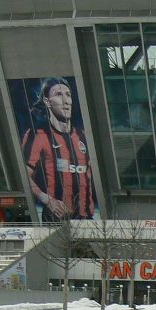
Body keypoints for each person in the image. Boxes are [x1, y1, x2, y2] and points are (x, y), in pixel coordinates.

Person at [21, 77, 97, 223]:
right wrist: (47, 199)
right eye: (58, 95)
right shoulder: (38, 135)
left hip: (87, 219)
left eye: (68, 95)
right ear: (47, 101)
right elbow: (23, 176)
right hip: (56, 218)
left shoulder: (83, 135)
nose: (66, 101)